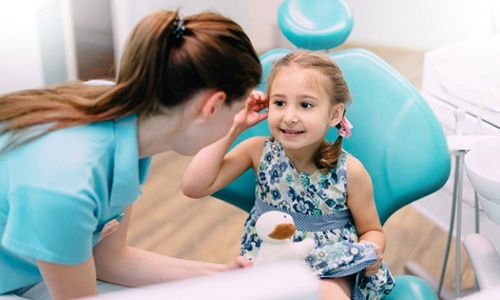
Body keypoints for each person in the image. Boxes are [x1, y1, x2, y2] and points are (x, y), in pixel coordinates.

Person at [0, 9, 262, 299]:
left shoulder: (117, 110)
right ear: (211, 107)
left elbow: (110, 261)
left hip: (31, 271)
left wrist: (220, 277)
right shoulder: (69, 185)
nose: (237, 121)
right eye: (237, 111)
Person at [182, 50, 396, 299]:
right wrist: (235, 125)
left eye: (305, 105)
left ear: (334, 114)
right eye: (279, 103)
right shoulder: (257, 151)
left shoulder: (350, 172)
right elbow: (193, 186)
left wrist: (372, 248)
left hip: (330, 268)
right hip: (268, 260)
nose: (289, 116)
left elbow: (372, 230)